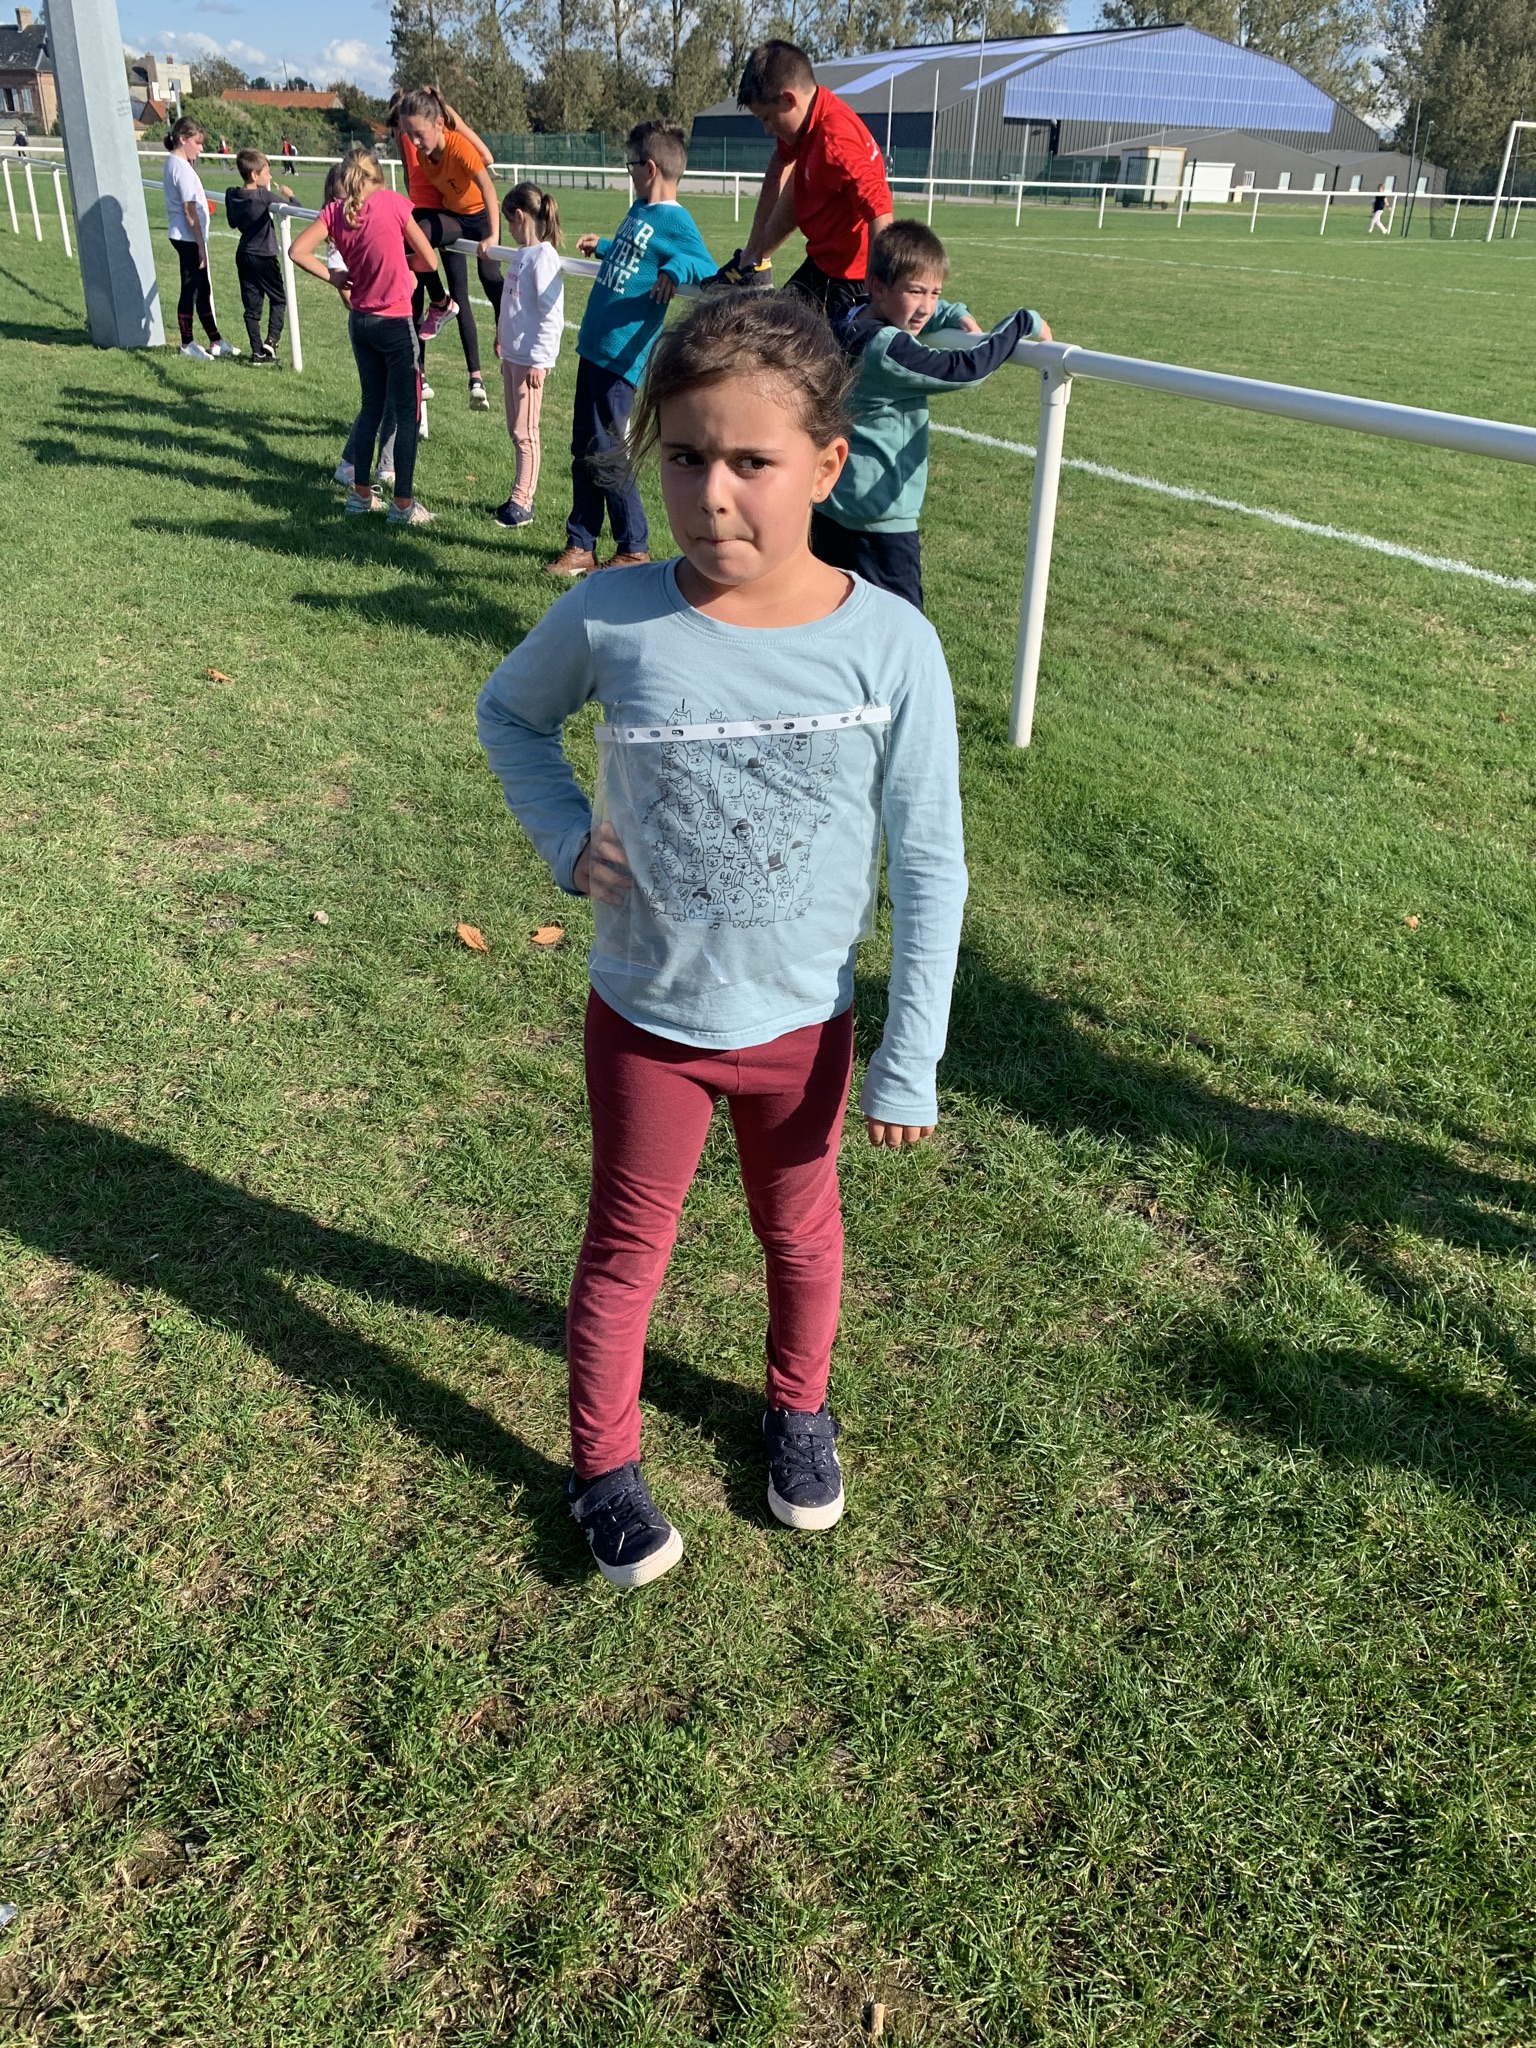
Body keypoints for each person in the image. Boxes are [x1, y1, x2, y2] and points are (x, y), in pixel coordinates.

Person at [477, 292, 968, 1588]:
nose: (712, 495)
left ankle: (799, 1410)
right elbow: (510, 715)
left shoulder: (892, 645)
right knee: (625, 1248)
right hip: (647, 1021)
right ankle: (603, 1467)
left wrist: (910, 1056)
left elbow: (929, 861)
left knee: (800, 1234)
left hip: (805, 1029)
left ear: (828, 464)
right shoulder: (613, 615)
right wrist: (565, 837)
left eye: (752, 460)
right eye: (687, 457)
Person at [814, 220, 1049, 612]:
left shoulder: (848, 314)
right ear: (879, 286)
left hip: (830, 506)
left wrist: (949, 313)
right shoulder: (886, 350)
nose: (926, 306)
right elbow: (967, 369)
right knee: (905, 628)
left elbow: (907, 312)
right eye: (915, 291)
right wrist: (1021, 322)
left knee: (829, 618)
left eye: (934, 293)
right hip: (878, 521)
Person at [546, 117, 717, 579]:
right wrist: (604, 245)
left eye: (630, 165)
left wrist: (676, 270)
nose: (629, 173)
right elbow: (636, 257)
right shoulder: (640, 209)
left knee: (606, 449)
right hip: (594, 347)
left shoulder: (675, 220)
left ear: (650, 167)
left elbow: (705, 264)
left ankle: (633, 545)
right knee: (583, 447)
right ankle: (580, 544)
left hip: (621, 358)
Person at [289, 147, 435, 527]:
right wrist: (403, 263)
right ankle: (402, 504)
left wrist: (334, 277)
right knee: (407, 413)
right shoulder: (392, 202)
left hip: (361, 322)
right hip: (395, 322)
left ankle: (360, 496)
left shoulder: (334, 212)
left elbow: (297, 251)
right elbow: (430, 260)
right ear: (377, 179)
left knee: (371, 407)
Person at [707, 40, 893, 321]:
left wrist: (876, 294)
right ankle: (753, 265)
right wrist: (752, 255)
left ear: (789, 99)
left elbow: (881, 213)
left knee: (795, 345)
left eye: (767, 118)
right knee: (773, 331)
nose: (767, 129)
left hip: (850, 280)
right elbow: (779, 167)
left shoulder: (836, 141)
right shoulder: (808, 119)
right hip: (821, 265)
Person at [393, 88, 502, 411]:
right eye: (409, 135)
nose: (414, 142)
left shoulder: (458, 146)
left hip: (481, 218)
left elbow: (488, 187)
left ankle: (504, 325)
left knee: (489, 276)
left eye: (419, 134)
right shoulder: (424, 154)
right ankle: (441, 303)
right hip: (455, 217)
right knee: (416, 237)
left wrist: (494, 235)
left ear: (439, 123)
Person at [493, 180, 564, 529]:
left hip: (529, 362)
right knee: (514, 428)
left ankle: (523, 502)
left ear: (521, 217)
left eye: (509, 221)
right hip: (512, 357)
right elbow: (512, 305)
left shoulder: (544, 258)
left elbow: (552, 314)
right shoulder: (522, 254)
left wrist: (541, 361)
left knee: (526, 432)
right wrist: (501, 338)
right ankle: (517, 495)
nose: (508, 229)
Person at [163, 118, 239, 361]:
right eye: (197, 143)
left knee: (203, 289)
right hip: (187, 238)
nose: (201, 148)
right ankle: (187, 343)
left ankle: (215, 339)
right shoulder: (182, 168)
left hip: (187, 237)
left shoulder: (177, 163)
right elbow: (189, 211)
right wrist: (200, 246)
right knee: (190, 290)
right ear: (183, 139)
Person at [226, 148, 294, 365]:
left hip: (243, 254)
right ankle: (271, 342)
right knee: (279, 299)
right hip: (264, 256)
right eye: (267, 172)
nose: (270, 177)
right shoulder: (263, 195)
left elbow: (232, 222)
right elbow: (296, 209)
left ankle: (257, 352)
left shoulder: (232, 194)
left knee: (252, 306)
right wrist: (290, 195)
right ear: (255, 175)